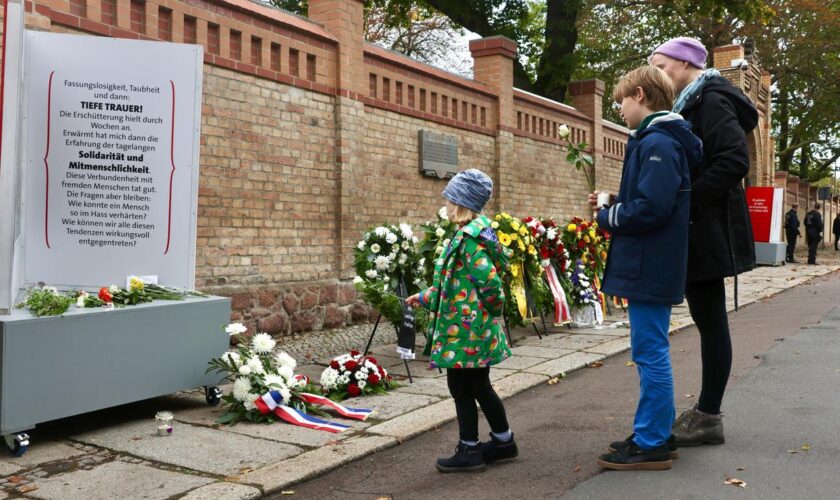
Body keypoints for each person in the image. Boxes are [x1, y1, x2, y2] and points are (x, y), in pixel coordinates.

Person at [590, 66, 702, 471]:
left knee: (650, 352)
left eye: (621, 101)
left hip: (650, 264)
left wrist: (608, 217)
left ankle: (653, 440)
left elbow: (653, 208)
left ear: (640, 94)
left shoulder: (658, 142)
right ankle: (654, 432)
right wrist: (615, 200)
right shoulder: (660, 141)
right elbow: (653, 196)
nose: (618, 109)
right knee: (649, 350)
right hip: (653, 263)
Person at [649, 37, 758, 447]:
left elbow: (733, 160)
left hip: (707, 230)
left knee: (711, 322)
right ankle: (707, 413)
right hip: (700, 227)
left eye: (659, 64)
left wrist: (685, 202)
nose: (656, 72)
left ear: (683, 63)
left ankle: (709, 415)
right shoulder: (691, 104)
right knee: (708, 320)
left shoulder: (710, 101)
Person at [406, 169, 516, 473]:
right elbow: (454, 283)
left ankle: (470, 449)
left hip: (469, 330)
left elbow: (491, 285)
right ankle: (503, 441)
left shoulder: (469, 240)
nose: (445, 203)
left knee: (465, 386)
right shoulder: (473, 234)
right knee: (478, 385)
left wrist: (487, 316)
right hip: (469, 328)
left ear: (462, 202)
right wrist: (426, 297)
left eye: (450, 198)